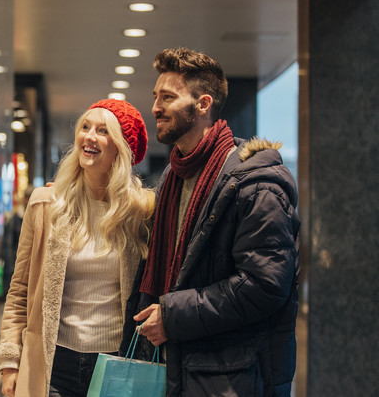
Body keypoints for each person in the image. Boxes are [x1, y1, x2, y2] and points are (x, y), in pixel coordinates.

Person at [128, 47, 300, 396]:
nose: (156, 108)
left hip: (234, 378)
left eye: (168, 97)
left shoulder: (256, 183)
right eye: (155, 97)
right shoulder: (173, 177)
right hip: (178, 366)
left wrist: (173, 317)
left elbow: (265, 286)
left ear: (203, 104)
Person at [0, 99, 155, 397]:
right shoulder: (46, 204)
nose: (89, 136)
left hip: (115, 364)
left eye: (102, 130)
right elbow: (19, 290)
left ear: (121, 148)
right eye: (85, 127)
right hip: (53, 363)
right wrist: (10, 362)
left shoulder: (142, 212)